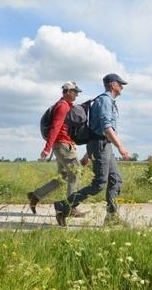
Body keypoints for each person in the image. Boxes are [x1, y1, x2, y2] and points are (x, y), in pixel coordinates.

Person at [54, 73, 130, 227]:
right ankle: (63, 207)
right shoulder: (105, 101)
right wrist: (120, 146)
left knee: (116, 179)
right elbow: (105, 127)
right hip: (101, 145)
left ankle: (112, 216)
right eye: (120, 84)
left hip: (103, 145)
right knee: (99, 183)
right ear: (112, 85)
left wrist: (89, 153)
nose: (122, 87)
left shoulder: (108, 101)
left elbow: (96, 128)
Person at [27, 81, 88, 218]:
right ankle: (70, 207)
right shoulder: (62, 106)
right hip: (63, 145)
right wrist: (47, 148)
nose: (77, 94)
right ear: (67, 91)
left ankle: (35, 195)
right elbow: (55, 127)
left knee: (62, 178)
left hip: (63, 145)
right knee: (76, 173)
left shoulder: (65, 105)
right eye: (74, 92)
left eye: (77, 92)